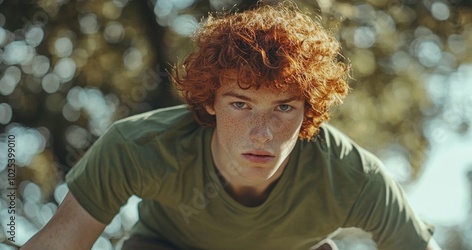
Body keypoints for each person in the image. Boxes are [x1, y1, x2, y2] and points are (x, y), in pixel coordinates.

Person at [21, 2, 441, 250]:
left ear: (309, 113)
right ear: (210, 103)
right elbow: (60, 242)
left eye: (283, 109)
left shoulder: (353, 177)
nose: (262, 133)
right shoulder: (138, 147)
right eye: (241, 104)